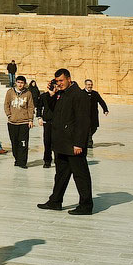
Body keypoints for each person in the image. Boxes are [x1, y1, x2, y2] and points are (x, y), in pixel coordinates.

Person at [37, 68, 93, 215]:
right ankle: (55, 201)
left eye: (61, 81)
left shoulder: (79, 95)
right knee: (60, 175)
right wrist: (51, 93)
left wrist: (79, 143)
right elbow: (52, 110)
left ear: (69, 79)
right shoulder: (61, 94)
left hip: (73, 144)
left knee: (81, 175)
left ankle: (86, 205)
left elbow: (83, 121)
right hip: (61, 143)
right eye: (57, 81)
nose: (59, 83)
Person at [4, 76, 35, 168]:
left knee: (23, 143)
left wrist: (30, 120)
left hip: (24, 122)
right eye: (18, 82)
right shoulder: (10, 92)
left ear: (24, 83)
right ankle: (17, 159)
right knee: (14, 143)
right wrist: (9, 115)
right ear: (16, 83)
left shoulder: (28, 93)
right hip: (12, 122)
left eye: (22, 82)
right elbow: (6, 104)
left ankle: (22, 162)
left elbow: (30, 107)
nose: (20, 84)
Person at [84, 79, 109, 147]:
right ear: (85, 85)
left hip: (94, 115)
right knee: (88, 129)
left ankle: (85, 139)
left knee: (94, 128)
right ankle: (89, 143)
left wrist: (105, 110)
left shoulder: (95, 93)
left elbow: (101, 101)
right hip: (85, 115)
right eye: (89, 85)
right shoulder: (81, 93)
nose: (90, 86)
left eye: (91, 85)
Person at [36, 79, 55, 168]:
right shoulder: (44, 96)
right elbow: (39, 107)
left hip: (58, 122)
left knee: (57, 142)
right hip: (47, 121)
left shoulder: (60, 96)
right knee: (47, 142)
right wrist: (39, 117)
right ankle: (47, 160)